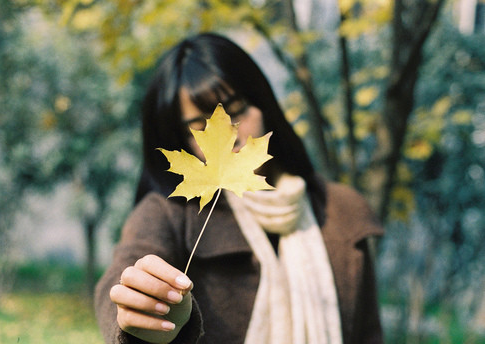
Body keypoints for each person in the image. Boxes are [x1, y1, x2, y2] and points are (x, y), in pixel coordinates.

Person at [95, 32, 384, 344]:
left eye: (236, 111)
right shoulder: (169, 213)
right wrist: (140, 311)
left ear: (263, 105)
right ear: (179, 139)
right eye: (199, 127)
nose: (228, 135)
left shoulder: (340, 209)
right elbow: (121, 278)